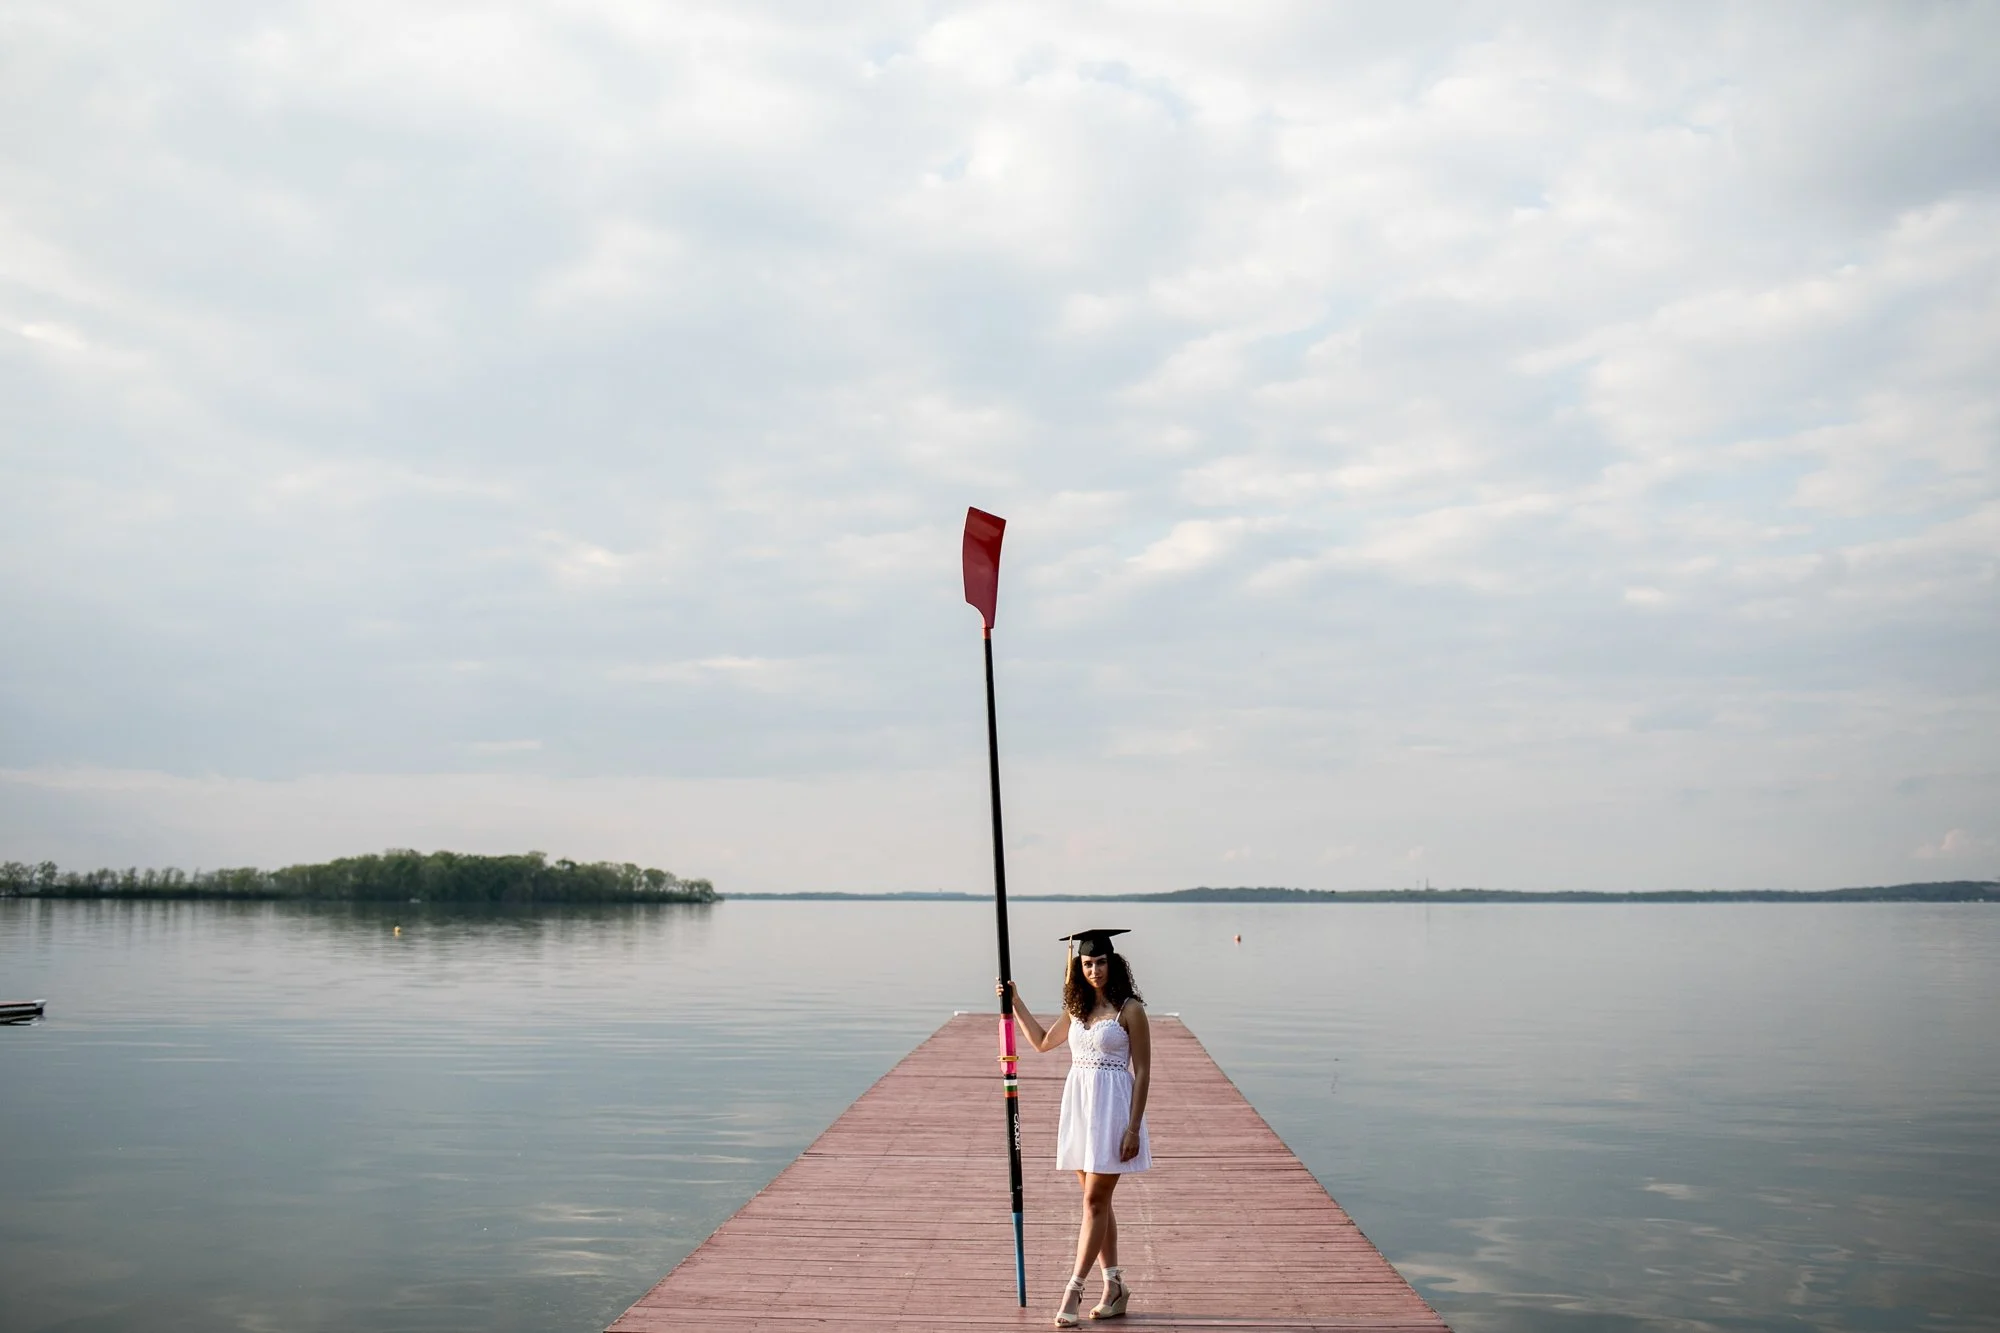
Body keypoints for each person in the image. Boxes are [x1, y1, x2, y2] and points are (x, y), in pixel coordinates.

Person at [1000, 928, 1152, 1326]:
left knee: (1093, 1203)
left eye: (1100, 962)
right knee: (1098, 1203)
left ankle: (1074, 1289)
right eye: (1087, 963)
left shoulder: (1130, 1010)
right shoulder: (1078, 1008)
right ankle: (1115, 1285)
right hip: (1081, 1109)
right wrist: (1015, 1002)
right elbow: (1040, 1042)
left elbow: (1144, 1070)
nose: (1095, 970)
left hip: (1114, 1112)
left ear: (1112, 963)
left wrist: (1134, 1128)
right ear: (1079, 966)